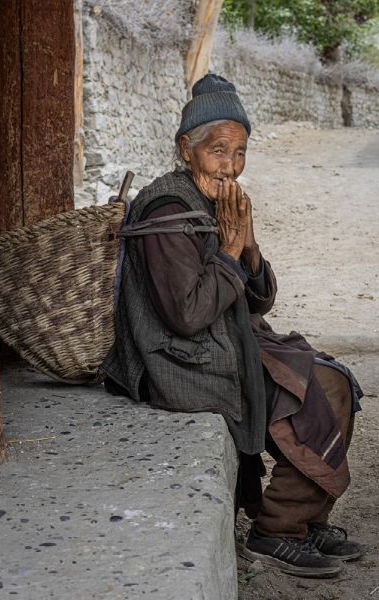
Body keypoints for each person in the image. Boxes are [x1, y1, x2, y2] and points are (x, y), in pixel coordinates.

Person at [101, 74, 365, 578]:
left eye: (240, 152)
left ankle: (301, 516)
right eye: (218, 151)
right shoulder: (169, 208)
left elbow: (261, 299)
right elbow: (186, 315)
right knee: (315, 387)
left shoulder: (220, 204)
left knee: (330, 376)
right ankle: (276, 531)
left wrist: (246, 245)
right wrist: (227, 249)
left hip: (221, 339)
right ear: (187, 148)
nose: (230, 165)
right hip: (175, 359)